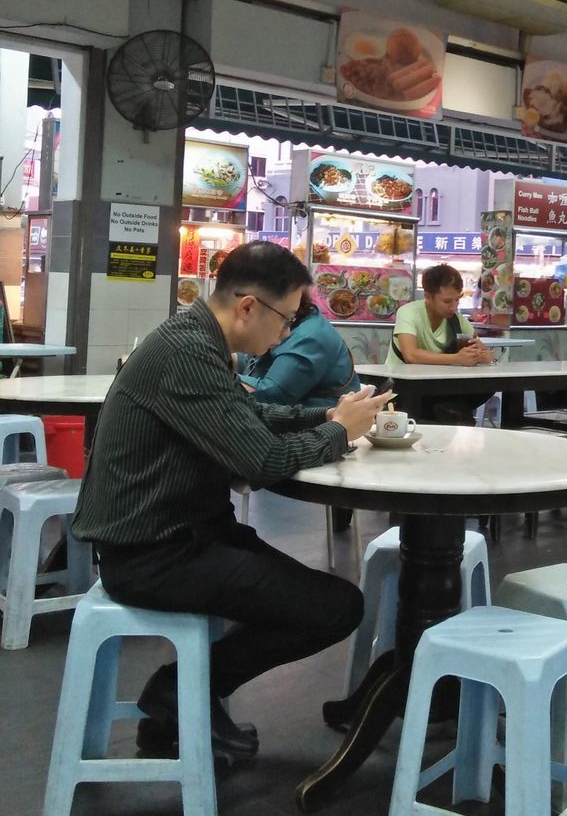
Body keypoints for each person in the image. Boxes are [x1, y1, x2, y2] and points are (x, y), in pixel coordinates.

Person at [72, 241, 393, 760]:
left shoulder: (198, 339)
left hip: (180, 535)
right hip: (153, 554)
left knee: (308, 597)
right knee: (336, 607)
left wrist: (329, 418)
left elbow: (247, 420)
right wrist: (337, 434)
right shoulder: (187, 353)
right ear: (248, 306)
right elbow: (259, 463)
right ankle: (178, 691)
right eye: (286, 319)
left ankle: (184, 704)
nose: (286, 332)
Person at [241, 286, 362, 533]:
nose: (280, 337)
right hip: (308, 418)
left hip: (315, 420)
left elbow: (272, 395)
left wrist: (225, 379)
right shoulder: (297, 324)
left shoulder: (309, 336)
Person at [388, 263, 493, 423]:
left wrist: (483, 355)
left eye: (457, 300)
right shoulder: (409, 312)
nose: (453, 307)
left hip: (438, 391)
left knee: (485, 388)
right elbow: (411, 355)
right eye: (447, 301)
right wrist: (456, 359)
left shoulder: (456, 319)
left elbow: (481, 348)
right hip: (402, 392)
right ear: (428, 296)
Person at [241, 288, 361, 411]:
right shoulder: (287, 320)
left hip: (321, 419)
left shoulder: (309, 336)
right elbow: (250, 361)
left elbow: (272, 395)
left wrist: (222, 375)